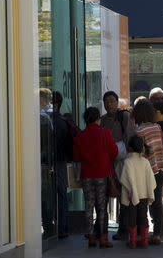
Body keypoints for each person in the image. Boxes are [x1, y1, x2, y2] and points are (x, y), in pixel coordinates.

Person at [73, 107, 118, 248]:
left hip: (87, 175)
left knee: (89, 205)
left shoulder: (80, 136)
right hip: (102, 174)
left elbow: (76, 156)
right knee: (101, 206)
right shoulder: (105, 133)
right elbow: (114, 152)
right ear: (98, 118)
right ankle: (103, 238)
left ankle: (91, 237)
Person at [101, 91, 136, 240]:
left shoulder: (124, 116)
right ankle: (101, 229)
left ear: (117, 102)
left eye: (112, 101)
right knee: (106, 194)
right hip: (106, 162)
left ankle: (124, 229)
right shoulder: (101, 120)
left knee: (123, 196)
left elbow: (130, 136)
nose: (109, 104)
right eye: (106, 101)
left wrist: (128, 157)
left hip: (123, 160)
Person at [132, 100, 163, 245]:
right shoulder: (157, 127)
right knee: (157, 202)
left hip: (146, 171)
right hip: (159, 167)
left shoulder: (138, 131)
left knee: (143, 203)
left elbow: (139, 153)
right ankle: (157, 234)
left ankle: (143, 233)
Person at [120, 135, 157, 249]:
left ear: (129, 147)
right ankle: (144, 241)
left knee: (132, 217)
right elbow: (151, 180)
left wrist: (132, 189)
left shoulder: (128, 161)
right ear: (142, 147)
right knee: (143, 216)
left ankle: (133, 241)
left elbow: (125, 179)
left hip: (132, 195)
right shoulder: (145, 161)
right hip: (144, 194)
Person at [51, 91, 73, 239]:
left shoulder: (52, 121)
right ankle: (62, 227)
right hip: (62, 161)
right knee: (61, 194)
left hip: (53, 162)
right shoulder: (63, 120)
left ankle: (55, 227)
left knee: (55, 195)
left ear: (55, 104)